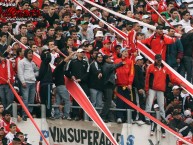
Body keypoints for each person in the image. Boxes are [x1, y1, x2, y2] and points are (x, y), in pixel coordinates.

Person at [145, 54, 182, 124]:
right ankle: (147, 118)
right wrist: (146, 89)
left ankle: (162, 119)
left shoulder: (165, 68)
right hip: (152, 88)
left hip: (160, 89)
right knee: (149, 104)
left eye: (160, 60)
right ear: (155, 60)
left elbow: (172, 78)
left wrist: (180, 83)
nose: (159, 61)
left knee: (161, 105)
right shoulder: (151, 67)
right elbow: (147, 79)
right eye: (158, 60)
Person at [66, 48, 90, 120]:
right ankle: (75, 115)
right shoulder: (72, 62)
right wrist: (71, 77)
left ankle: (85, 116)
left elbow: (88, 73)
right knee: (75, 99)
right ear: (77, 53)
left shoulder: (86, 62)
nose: (82, 53)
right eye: (81, 52)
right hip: (75, 83)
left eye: (83, 52)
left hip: (83, 83)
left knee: (86, 98)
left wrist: (81, 79)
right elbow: (67, 71)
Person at [100, 55, 124, 122]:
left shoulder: (106, 65)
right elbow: (114, 66)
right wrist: (121, 63)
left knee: (108, 102)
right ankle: (103, 116)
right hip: (108, 85)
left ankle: (107, 117)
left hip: (108, 85)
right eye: (109, 58)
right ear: (106, 59)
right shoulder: (107, 65)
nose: (110, 59)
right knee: (108, 102)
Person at [114, 48, 134, 123]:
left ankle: (128, 117)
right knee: (119, 102)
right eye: (125, 51)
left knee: (128, 102)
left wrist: (130, 83)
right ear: (121, 53)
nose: (126, 53)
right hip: (118, 85)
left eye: (127, 52)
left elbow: (131, 73)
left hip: (127, 85)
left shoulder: (130, 61)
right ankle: (119, 117)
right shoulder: (116, 61)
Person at [18, 49, 39, 121]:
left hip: (33, 82)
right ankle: (24, 114)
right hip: (25, 83)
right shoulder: (21, 62)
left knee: (31, 99)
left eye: (32, 53)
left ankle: (29, 114)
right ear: (26, 54)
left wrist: (33, 75)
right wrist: (23, 82)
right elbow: (20, 73)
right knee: (25, 99)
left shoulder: (32, 63)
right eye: (29, 53)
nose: (31, 55)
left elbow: (37, 71)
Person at [53, 53, 75, 119]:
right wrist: (70, 55)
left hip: (57, 87)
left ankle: (57, 115)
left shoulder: (55, 70)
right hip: (61, 87)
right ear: (58, 63)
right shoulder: (59, 68)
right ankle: (66, 115)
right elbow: (65, 60)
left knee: (57, 101)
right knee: (67, 101)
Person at [37, 49, 53, 119]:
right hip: (47, 84)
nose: (48, 54)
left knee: (43, 100)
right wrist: (48, 52)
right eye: (47, 54)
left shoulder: (42, 64)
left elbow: (40, 75)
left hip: (43, 83)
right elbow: (49, 57)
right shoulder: (45, 63)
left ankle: (44, 114)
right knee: (48, 100)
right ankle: (48, 114)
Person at [132, 55, 146, 125]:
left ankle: (140, 117)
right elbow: (135, 79)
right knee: (137, 103)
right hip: (137, 89)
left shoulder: (140, 68)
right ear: (137, 61)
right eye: (140, 60)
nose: (142, 61)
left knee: (140, 103)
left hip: (140, 89)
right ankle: (137, 118)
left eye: (142, 60)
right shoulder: (136, 68)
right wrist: (139, 88)